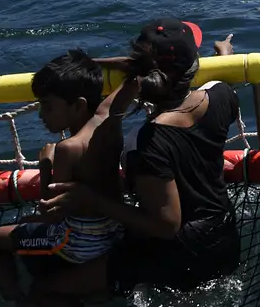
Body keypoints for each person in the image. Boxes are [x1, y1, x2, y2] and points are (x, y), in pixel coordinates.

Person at [27, 18, 241, 303]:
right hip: (225, 240)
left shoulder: (147, 141)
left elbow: (167, 225)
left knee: (45, 288)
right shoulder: (222, 95)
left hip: (180, 255)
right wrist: (224, 55)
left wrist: (91, 199)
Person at [0, 48, 139, 303]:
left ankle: (16, 299)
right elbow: (136, 75)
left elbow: (52, 213)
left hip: (78, 243)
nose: (41, 115)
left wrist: (45, 164)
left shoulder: (69, 148)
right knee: (26, 222)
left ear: (77, 105)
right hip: (112, 229)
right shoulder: (109, 118)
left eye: (47, 106)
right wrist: (91, 64)